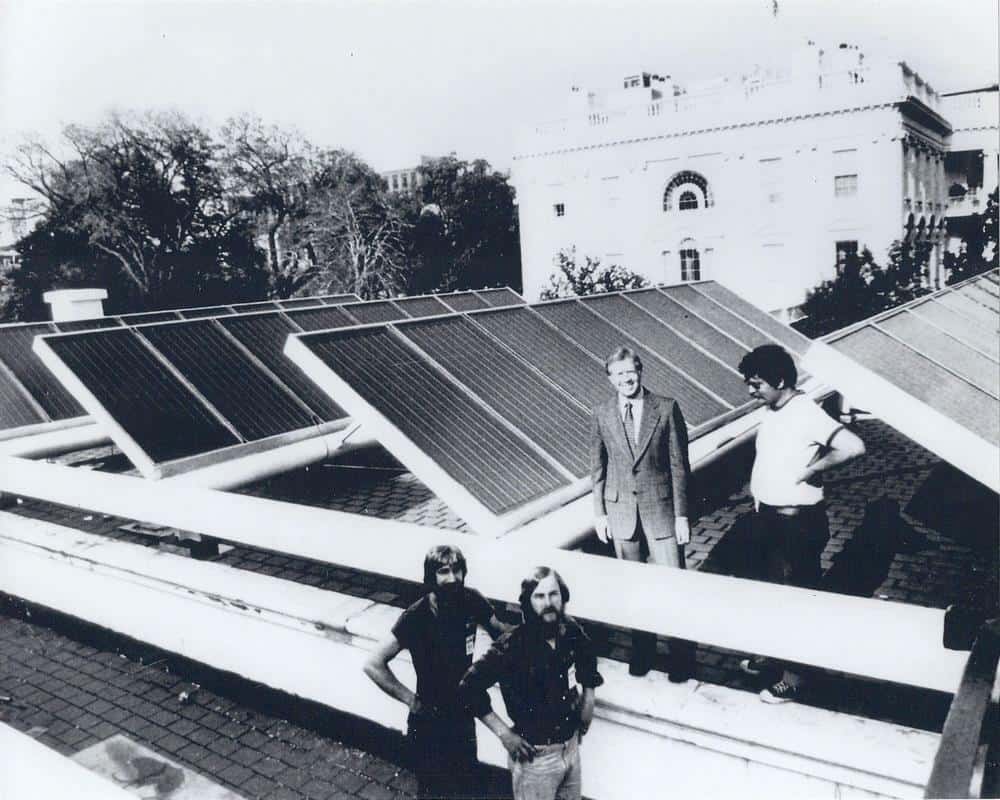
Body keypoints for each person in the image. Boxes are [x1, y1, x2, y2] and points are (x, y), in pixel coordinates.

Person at [737, 344, 866, 704]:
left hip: (796, 524)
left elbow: (854, 447)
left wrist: (812, 470)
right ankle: (777, 657)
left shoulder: (806, 412)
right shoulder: (775, 409)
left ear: (780, 380)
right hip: (772, 519)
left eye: (757, 383)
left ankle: (794, 680)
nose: (751, 390)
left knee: (797, 600)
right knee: (774, 597)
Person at [364, 545, 508, 799]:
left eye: (457, 570)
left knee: (466, 786)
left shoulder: (471, 600)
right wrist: (411, 700)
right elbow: (374, 664)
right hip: (428, 721)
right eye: (443, 571)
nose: (452, 578)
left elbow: (502, 634)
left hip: (463, 714)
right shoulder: (416, 616)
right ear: (431, 578)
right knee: (433, 791)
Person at [590, 346, 695, 679]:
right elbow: (597, 466)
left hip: (662, 511)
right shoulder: (601, 413)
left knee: (672, 585)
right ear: (610, 379)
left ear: (640, 371)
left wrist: (682, 516)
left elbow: (680, 466)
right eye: (618, 374)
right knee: (633, 586)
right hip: (620, 511)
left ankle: (681, 656)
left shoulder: (665, 408)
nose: (626, 379)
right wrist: (600, 513)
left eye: (630, 372)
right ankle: (643, 650)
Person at [458, 567, 603, 800]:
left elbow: (588, 661)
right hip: (535, 759)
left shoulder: (571, 631)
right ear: (527, 602)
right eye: (539, 596)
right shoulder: (513, 645)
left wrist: (588, 701)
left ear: (563, 597)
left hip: (571, 749)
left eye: (554, 594)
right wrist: (504, 734)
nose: (548, 602)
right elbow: (468, 687)